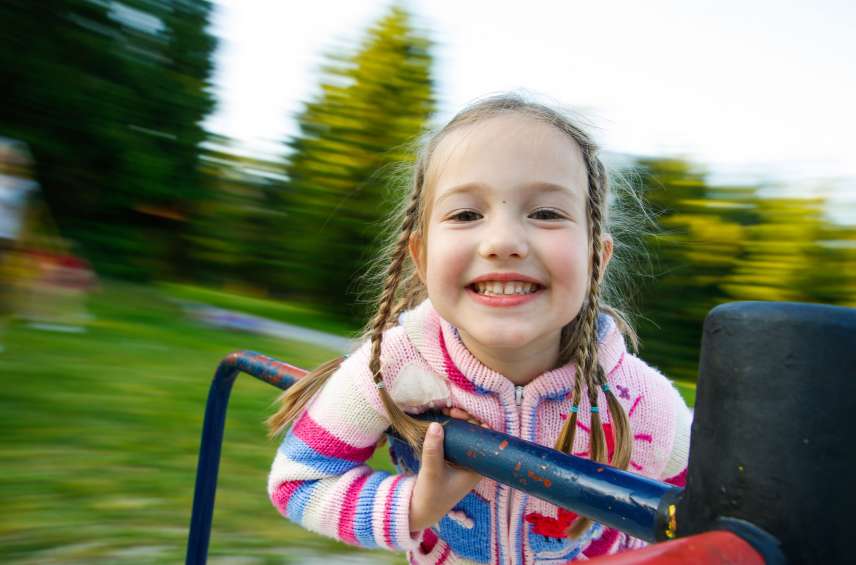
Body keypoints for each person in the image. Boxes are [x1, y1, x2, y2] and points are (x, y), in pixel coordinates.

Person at [267, 94, 692, 563]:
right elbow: (300, 479)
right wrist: (417, 506)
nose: (504, 242)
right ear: (421, 257)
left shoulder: (645, 402)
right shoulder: (392, 365)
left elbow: (704, 520)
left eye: (547, 213)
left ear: (597, 258)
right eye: (467, 214)